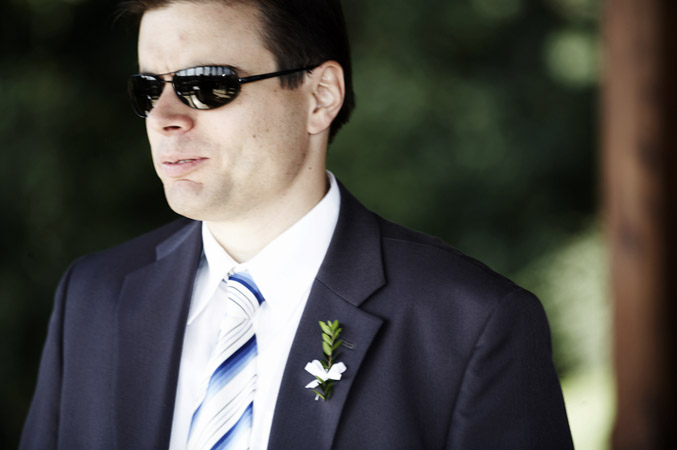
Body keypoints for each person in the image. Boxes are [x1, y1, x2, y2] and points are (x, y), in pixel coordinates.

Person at [20, 0, 574, 449]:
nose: (165, 118)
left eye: (206, 84)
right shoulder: (94, 296)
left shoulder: (470, 324)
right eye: (148, 89)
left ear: (320, 97)